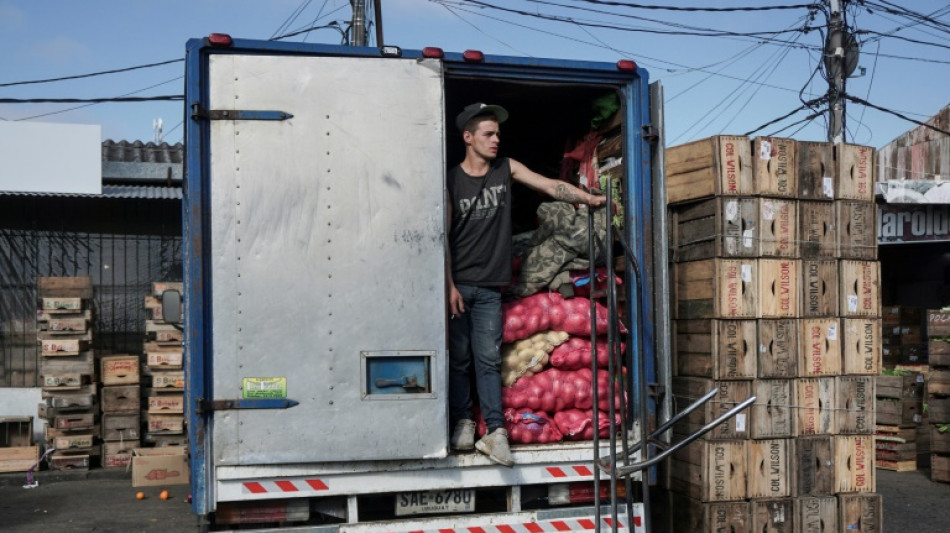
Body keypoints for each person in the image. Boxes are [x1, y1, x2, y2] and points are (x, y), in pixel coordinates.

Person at [447, 103, 606, 466]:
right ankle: (462, 424)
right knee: (458, 360)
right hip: (459, 285)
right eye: (488, 134)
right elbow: (442, 236)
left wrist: (588, 199)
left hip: (489, 287)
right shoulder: (452, 180)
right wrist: (448, 286)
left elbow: (549, 185)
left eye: (497, 134)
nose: (495, 139)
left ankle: (496, 433)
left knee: (488, 359)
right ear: (468, 138)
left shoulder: (506, 168)